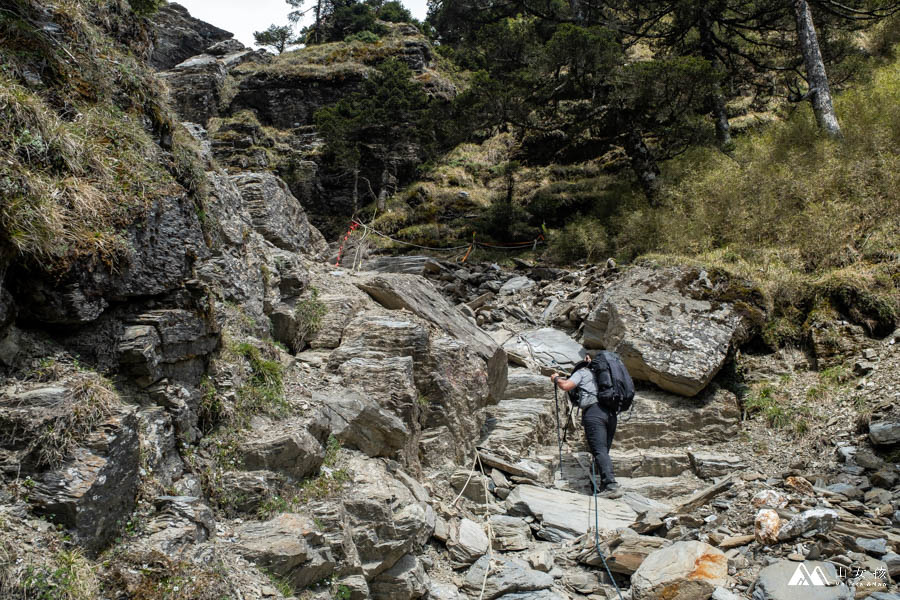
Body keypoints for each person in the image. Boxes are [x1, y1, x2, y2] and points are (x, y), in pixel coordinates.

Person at [551, 355, 621, 498]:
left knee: (599, 450)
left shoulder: (582, 372)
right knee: (603, 451)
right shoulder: (607, 378)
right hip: (611, 414)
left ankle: (611, 485)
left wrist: (556, 378)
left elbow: (566, 386)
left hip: (594, 413)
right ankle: (603, 486)